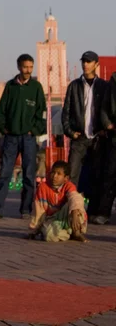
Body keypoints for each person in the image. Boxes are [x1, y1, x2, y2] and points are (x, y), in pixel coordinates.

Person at [0, 54, 46, 220]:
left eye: (30, 67)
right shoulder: (10, 87)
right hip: (11, 138)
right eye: (25, 67)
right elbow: (2, 110)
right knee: (5, 173)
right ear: (19, 66)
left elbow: (41, 112)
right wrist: (2, 128)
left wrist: (34, 130)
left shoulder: (36, 87)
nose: (28, 70)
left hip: (28, 139)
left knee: (28, 175)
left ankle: (26, 210)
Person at [62, 51, 108, 219]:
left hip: (97, 138)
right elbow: (65, 112)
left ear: (96, 64)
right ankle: (70, 210)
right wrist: (70, 132)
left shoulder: (103, 86)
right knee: (72, 174)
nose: (85, 65)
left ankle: (94, 211)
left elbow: (107, 110)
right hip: (78, 138)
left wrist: (104, 130)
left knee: (97, 175)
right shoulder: (74, 86)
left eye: (89, 62)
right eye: (84, 61)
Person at [28, 161, 88, 242]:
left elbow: (75, 198)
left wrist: (74, 212)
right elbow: (38, 210)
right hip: (53, 220)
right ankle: (69, 233)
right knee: (49, 236)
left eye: (59, 174)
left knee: (77, 202)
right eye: (53, 172)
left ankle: (76, 232)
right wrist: (34, 230)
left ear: (66, 178)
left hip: (67, 217)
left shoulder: (69, 186)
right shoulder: (43, 187)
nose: (54, 176)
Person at [91, 71, 116, 225]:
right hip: (114, 137)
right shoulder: (114, 80)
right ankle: (104, 212)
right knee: (110, 175)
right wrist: (107, 124)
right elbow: (105, 107)